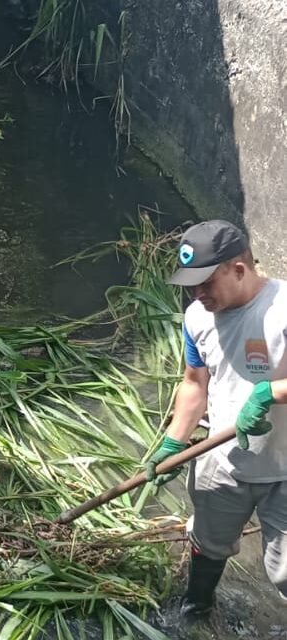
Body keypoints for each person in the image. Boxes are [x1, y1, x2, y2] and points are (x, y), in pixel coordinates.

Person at [145, 219, 287, 616]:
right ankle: (197, 604)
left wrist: (270, 392)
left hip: (284, 466)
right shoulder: (197, 317)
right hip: (222, 459)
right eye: (191, 284)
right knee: (209, 541)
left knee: (284, 572)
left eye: (206, 282)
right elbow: (194, 384)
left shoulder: (282, 309)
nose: (197, 293)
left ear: (238, 269)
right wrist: (174, 441)